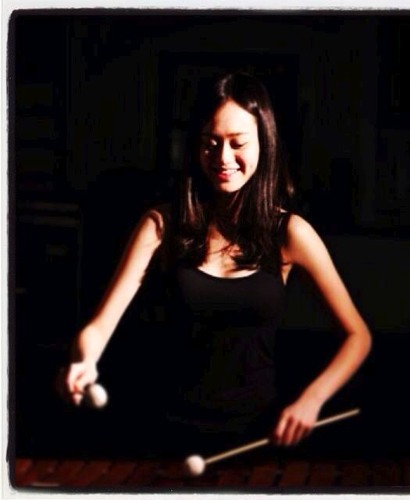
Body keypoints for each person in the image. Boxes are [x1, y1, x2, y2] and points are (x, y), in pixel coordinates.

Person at [60, 71, 371, 456]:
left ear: (264, 144)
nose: (223, 158)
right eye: (211, 143)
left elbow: (358, 336)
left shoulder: (290, 233)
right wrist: (84, 361)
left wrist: (312, 399)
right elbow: (98, 328)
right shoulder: (160, 226)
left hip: (257, 441)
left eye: (237, 143)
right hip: (163, 437)